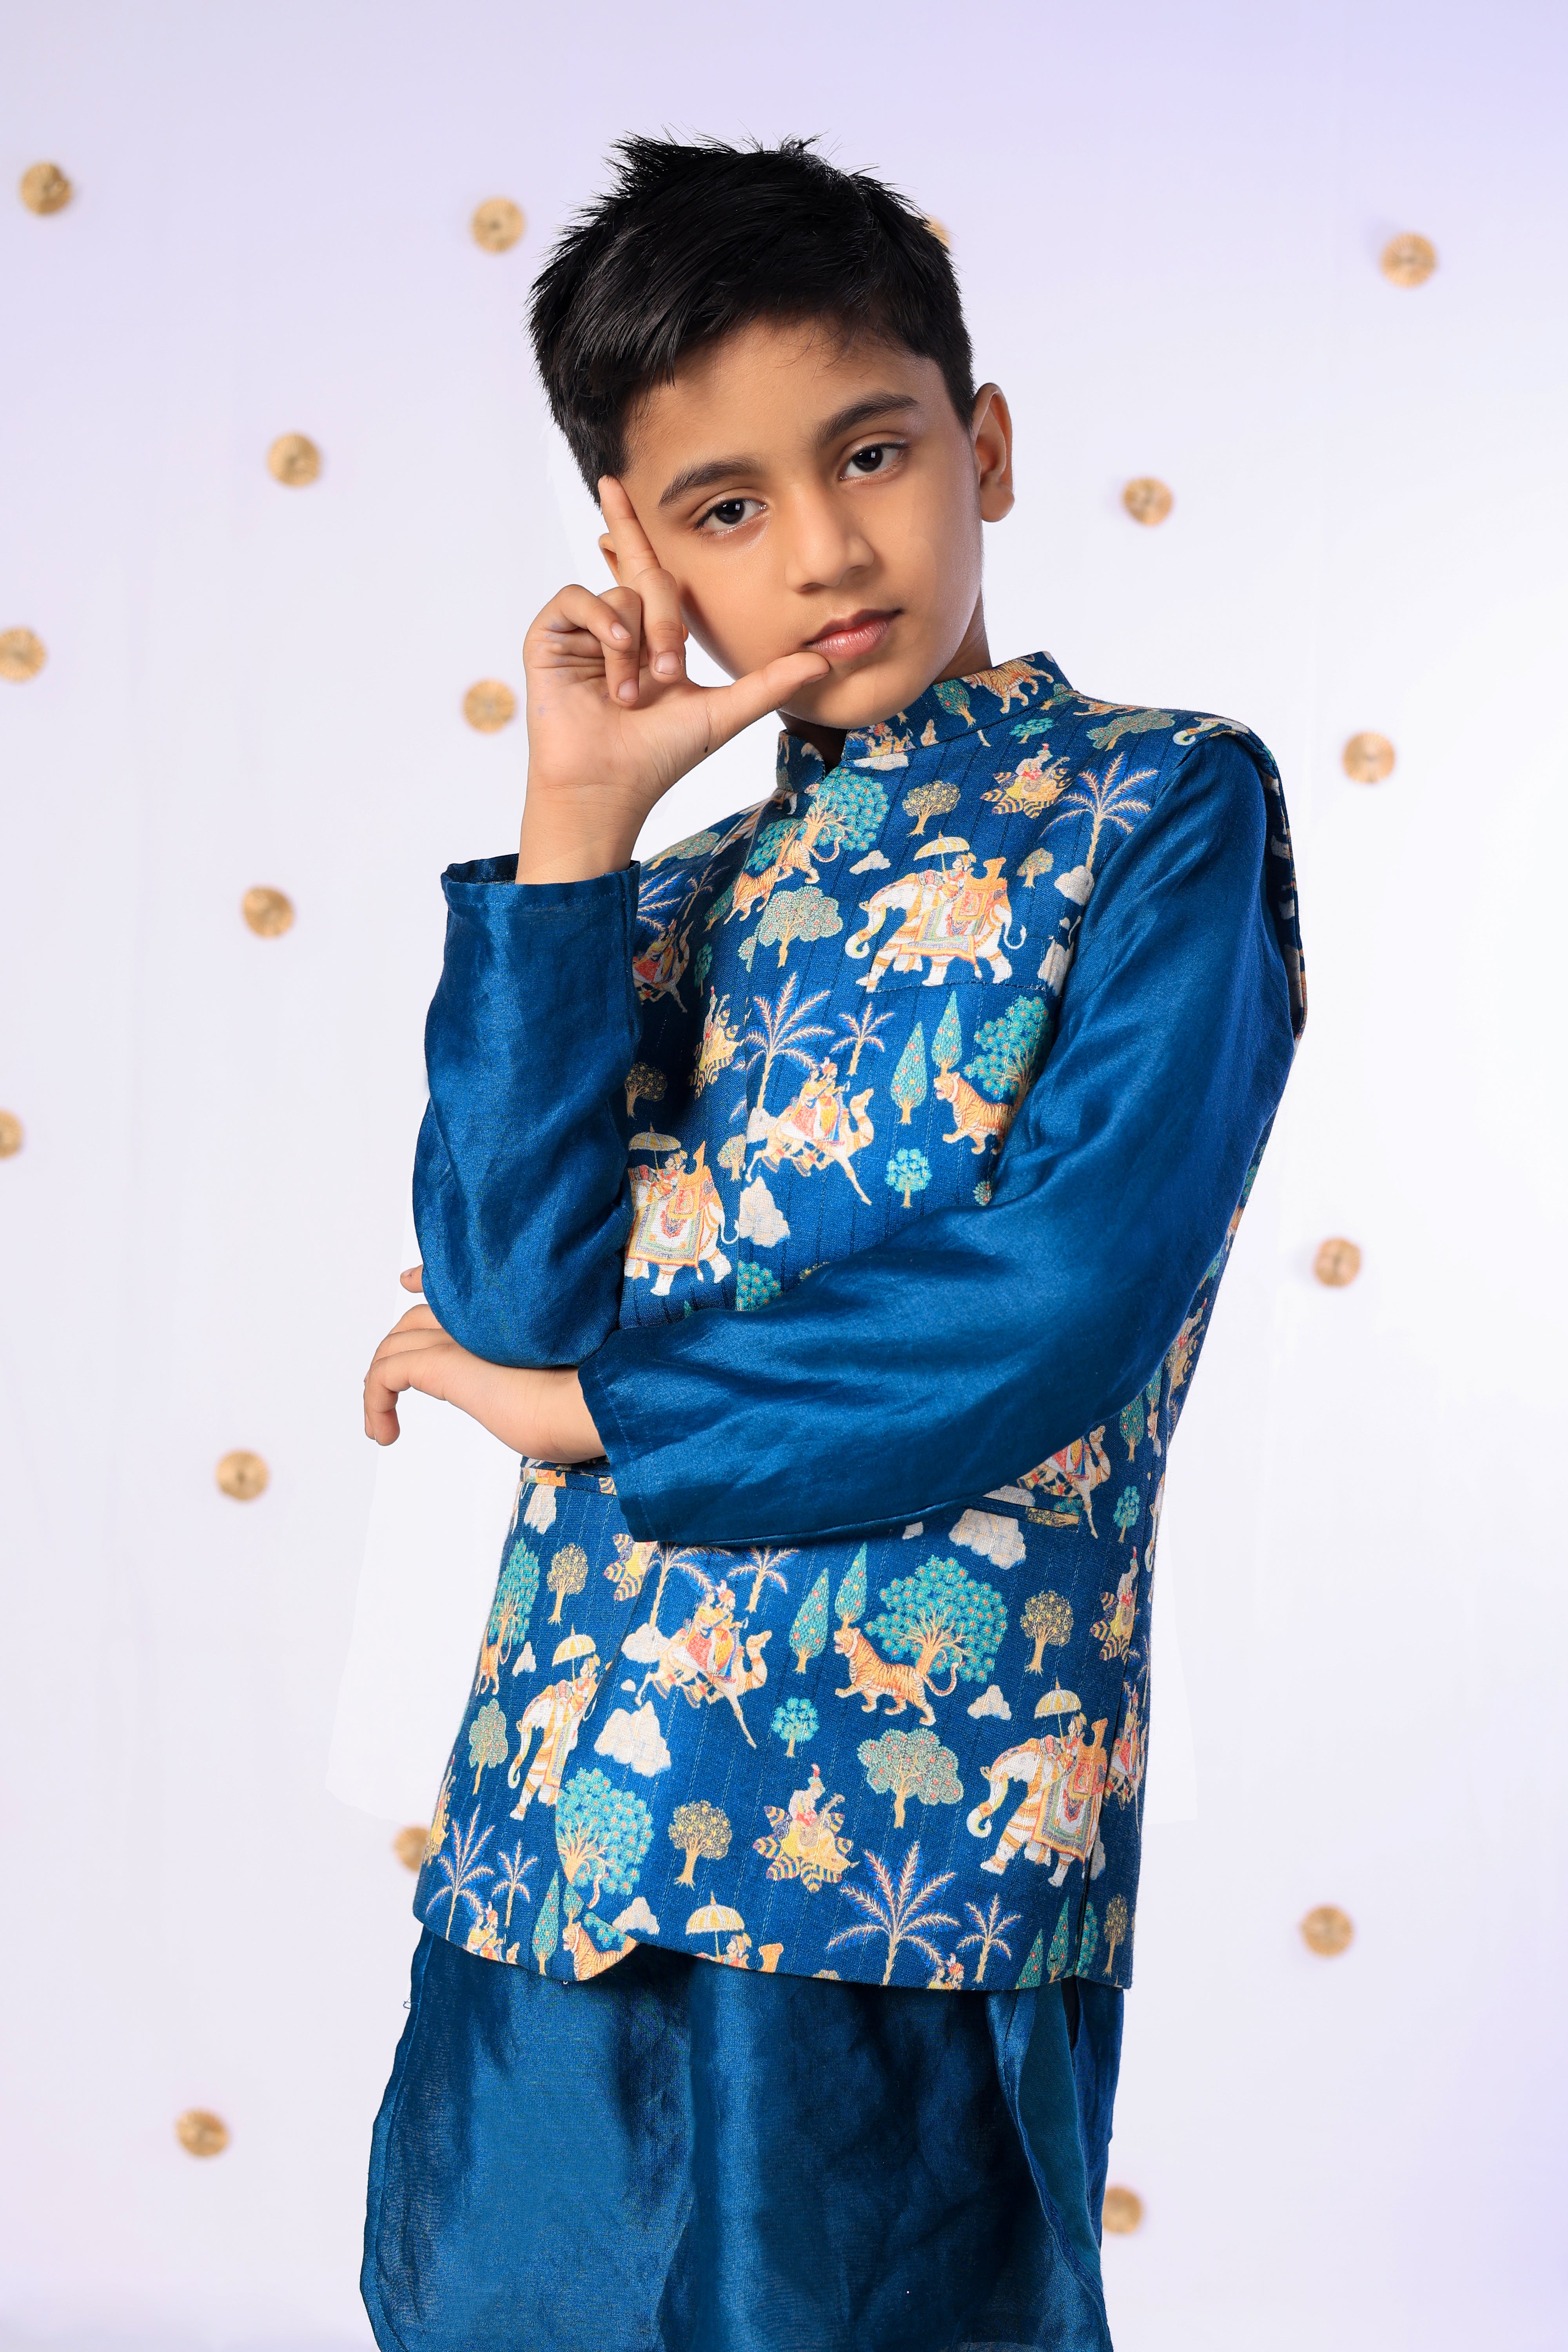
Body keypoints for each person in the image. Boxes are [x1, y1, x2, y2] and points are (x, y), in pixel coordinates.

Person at [358, 135, 1304, 2352]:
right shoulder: (661, 902)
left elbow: (1062, 1294)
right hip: (567, 1816)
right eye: (724, 507)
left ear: (986, 445)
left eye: (870, 454)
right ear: (632, 545)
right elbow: (505, 1285)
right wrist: (577, 821)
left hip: (913, 1827)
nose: (819, 549)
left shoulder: (1158, 811)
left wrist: (594, 1418)